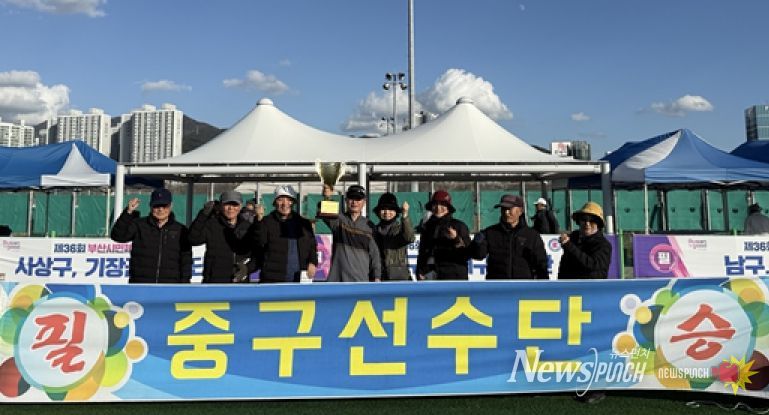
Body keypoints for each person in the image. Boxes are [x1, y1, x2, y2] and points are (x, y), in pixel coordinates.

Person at [110, 188, 192, 283]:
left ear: (171, 206)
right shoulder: (139, 225)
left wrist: (184, 284)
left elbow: (186, 261)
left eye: (164, 206)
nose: (160, 209)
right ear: (150, 206)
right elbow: (117, 236)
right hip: (141, 284)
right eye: (157, 206)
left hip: (170, 286)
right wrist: (128, 212)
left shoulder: (181, 230)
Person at [471, 194, 548, 279]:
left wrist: (544, 288)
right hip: (497, 287)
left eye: (509, 209)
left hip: (523, 287)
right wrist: (477, 244)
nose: (506, 212)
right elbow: (478, 255)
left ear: (520, 210)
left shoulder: (532, 236)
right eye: (503, 209)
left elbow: (541, 264)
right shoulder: (490, 233)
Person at [253, 185, 318, 283]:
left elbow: (312, 246)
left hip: (299, 279)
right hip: (273, 279)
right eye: (280, 200)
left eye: (288, 200)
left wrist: (313, 262)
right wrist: (258, 221)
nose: (284, 204)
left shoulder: (303, 223)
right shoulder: (266, 222)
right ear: (275, 203)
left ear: (292, 202)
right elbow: (259, 242)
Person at [188, 190, 255, 283]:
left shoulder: (248, 227)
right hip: (214, 282)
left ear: (240, 207)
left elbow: (258, 253)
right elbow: (193, 239)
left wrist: (247, 269)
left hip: (239, 281)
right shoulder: (212, 225)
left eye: (234, 205)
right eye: (227, 204)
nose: (231, 208)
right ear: (220, 206)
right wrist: (203, 215)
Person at [321, 184, 381, 282]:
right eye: (351, 198)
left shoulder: (370, 226)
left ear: (364, 202)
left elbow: (375, 255)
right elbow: (325, 212)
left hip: (361, 281)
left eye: (358, 199)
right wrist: (327, 197)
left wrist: (377, 276)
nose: (354, 202)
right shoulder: (338, 220)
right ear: (346, 200)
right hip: (337, 281)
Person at [416, 190, 471, 280]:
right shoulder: (427, 227)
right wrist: (419, 271)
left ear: (448, 207)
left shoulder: (459, 226)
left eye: (442, 204)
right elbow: (422, 253)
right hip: (430, 276)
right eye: (435, 204)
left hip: (454, 277)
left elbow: (468, 254)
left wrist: (456, 239)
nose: (438, 208)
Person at [557, 201, 612, 280]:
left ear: (598, 224)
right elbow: (564, 267)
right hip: (569, 289)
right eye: (584, 219)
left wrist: (570, 246)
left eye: (592, 220)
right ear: (579, 221)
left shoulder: (603, 245)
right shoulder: (573, 239)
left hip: (592, 289)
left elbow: (593, 265)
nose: (587, 223)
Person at [372, 192, 416, 281]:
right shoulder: (373, 230)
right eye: (383, 209)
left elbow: (409, 237)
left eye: (391, 209)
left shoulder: (400, 228)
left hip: (399, 278)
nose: (387, 212)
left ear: (396, 212)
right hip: (378, 277)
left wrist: (405, 215)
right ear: (378, 211)